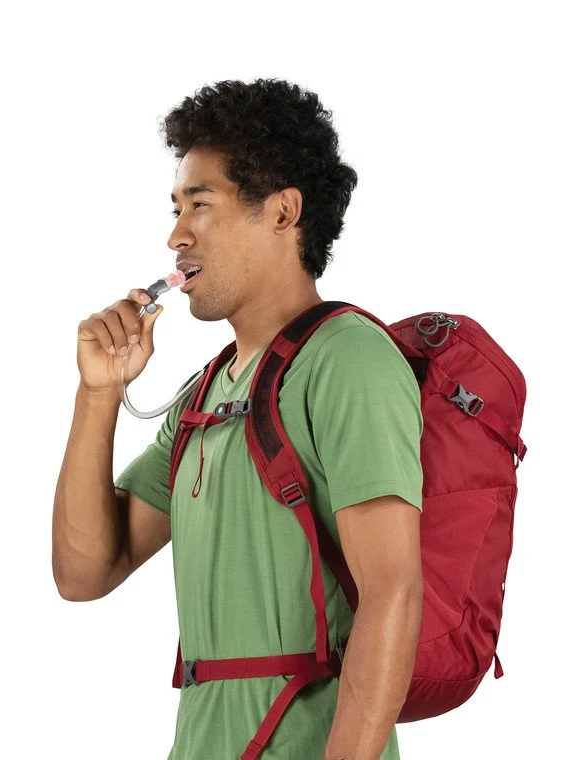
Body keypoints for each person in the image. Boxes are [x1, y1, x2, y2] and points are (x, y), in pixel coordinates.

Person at [52, 78, 424, 760]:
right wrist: (98, 393)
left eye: (200, 204)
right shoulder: (204, 396)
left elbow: (393, 592)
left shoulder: (348, 360)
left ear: (283, 212)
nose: (176, 235)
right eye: (176, 208)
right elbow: (84, 573)